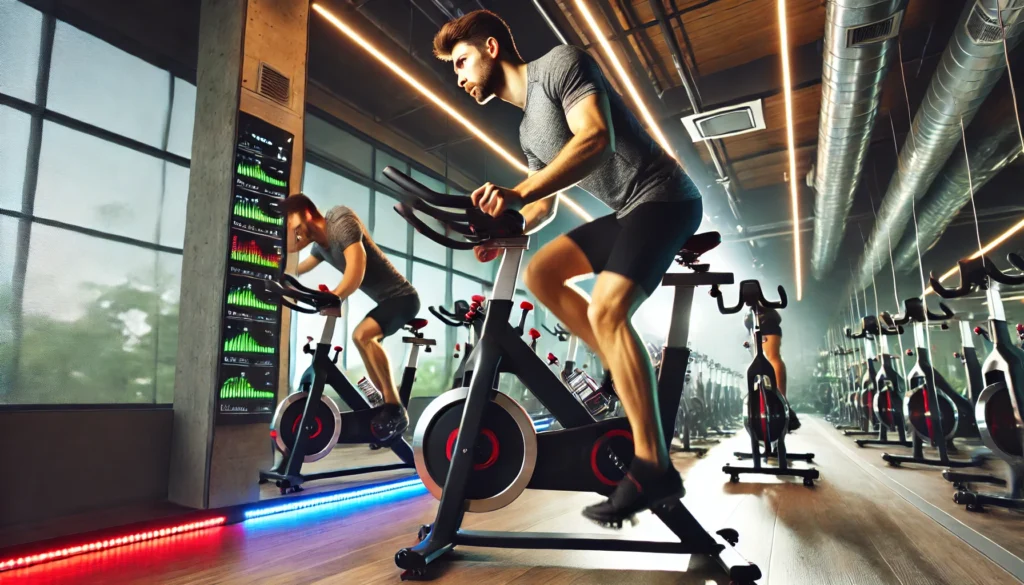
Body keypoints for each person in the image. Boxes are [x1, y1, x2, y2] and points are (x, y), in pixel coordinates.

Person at [432, 10, 703, 525]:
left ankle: (653, 467)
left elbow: (595, 138)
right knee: (541, 272)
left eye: (462, 61)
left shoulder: (560, 65)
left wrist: (518, 192)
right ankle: (626, 363)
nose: (461, 77)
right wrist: (507, 228)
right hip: (628, 211)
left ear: (492, 48)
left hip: (665, 198)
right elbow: (543, 206)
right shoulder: (528, 133)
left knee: (606, 310)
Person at [281, 194, 420, 444]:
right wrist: (275, 274)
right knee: (361, 340)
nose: (294, 235)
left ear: (306, 213)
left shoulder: (340, 221)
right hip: (387, 301)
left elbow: (357, 270)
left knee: (362, 335)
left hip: (403, 297)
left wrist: (333, 296)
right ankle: (384, 404)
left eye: (293, 225)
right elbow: (296, 270)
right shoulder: (320, 247)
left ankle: (395, 409)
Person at [744, 307, 800, 430]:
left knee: (772, 357)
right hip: (752, 316)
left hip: (764, 314)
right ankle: (762, 403)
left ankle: (782, 403)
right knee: (759, 359)